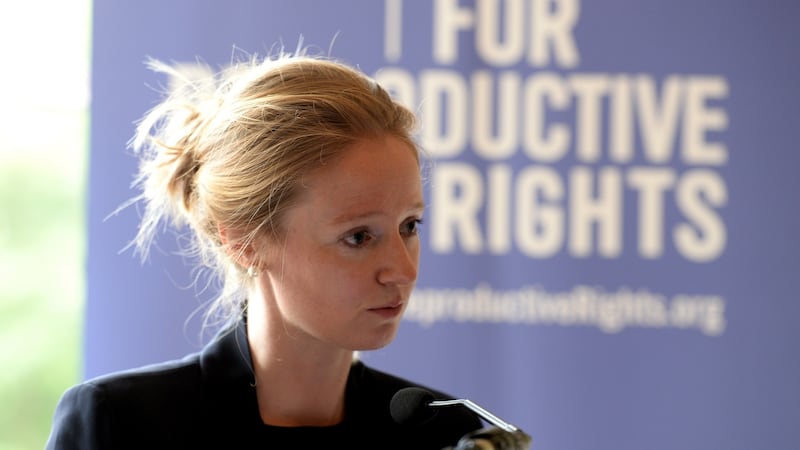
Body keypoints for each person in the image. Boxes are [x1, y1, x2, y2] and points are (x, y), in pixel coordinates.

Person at [45, 49, 484, 449]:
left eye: (410, 225)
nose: (402, 270)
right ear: (245, 243)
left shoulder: (451, 434)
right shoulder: (122, 423)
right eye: (359, 237)